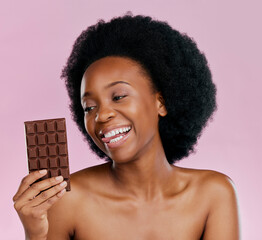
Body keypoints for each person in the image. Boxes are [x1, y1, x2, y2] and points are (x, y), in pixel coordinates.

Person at [13, 12, 241, 239]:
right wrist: (35, 234)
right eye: (89, 107)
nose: (102, 115)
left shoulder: (214, 194)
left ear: (160, 102)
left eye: (119, 96)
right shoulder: (67, 200)